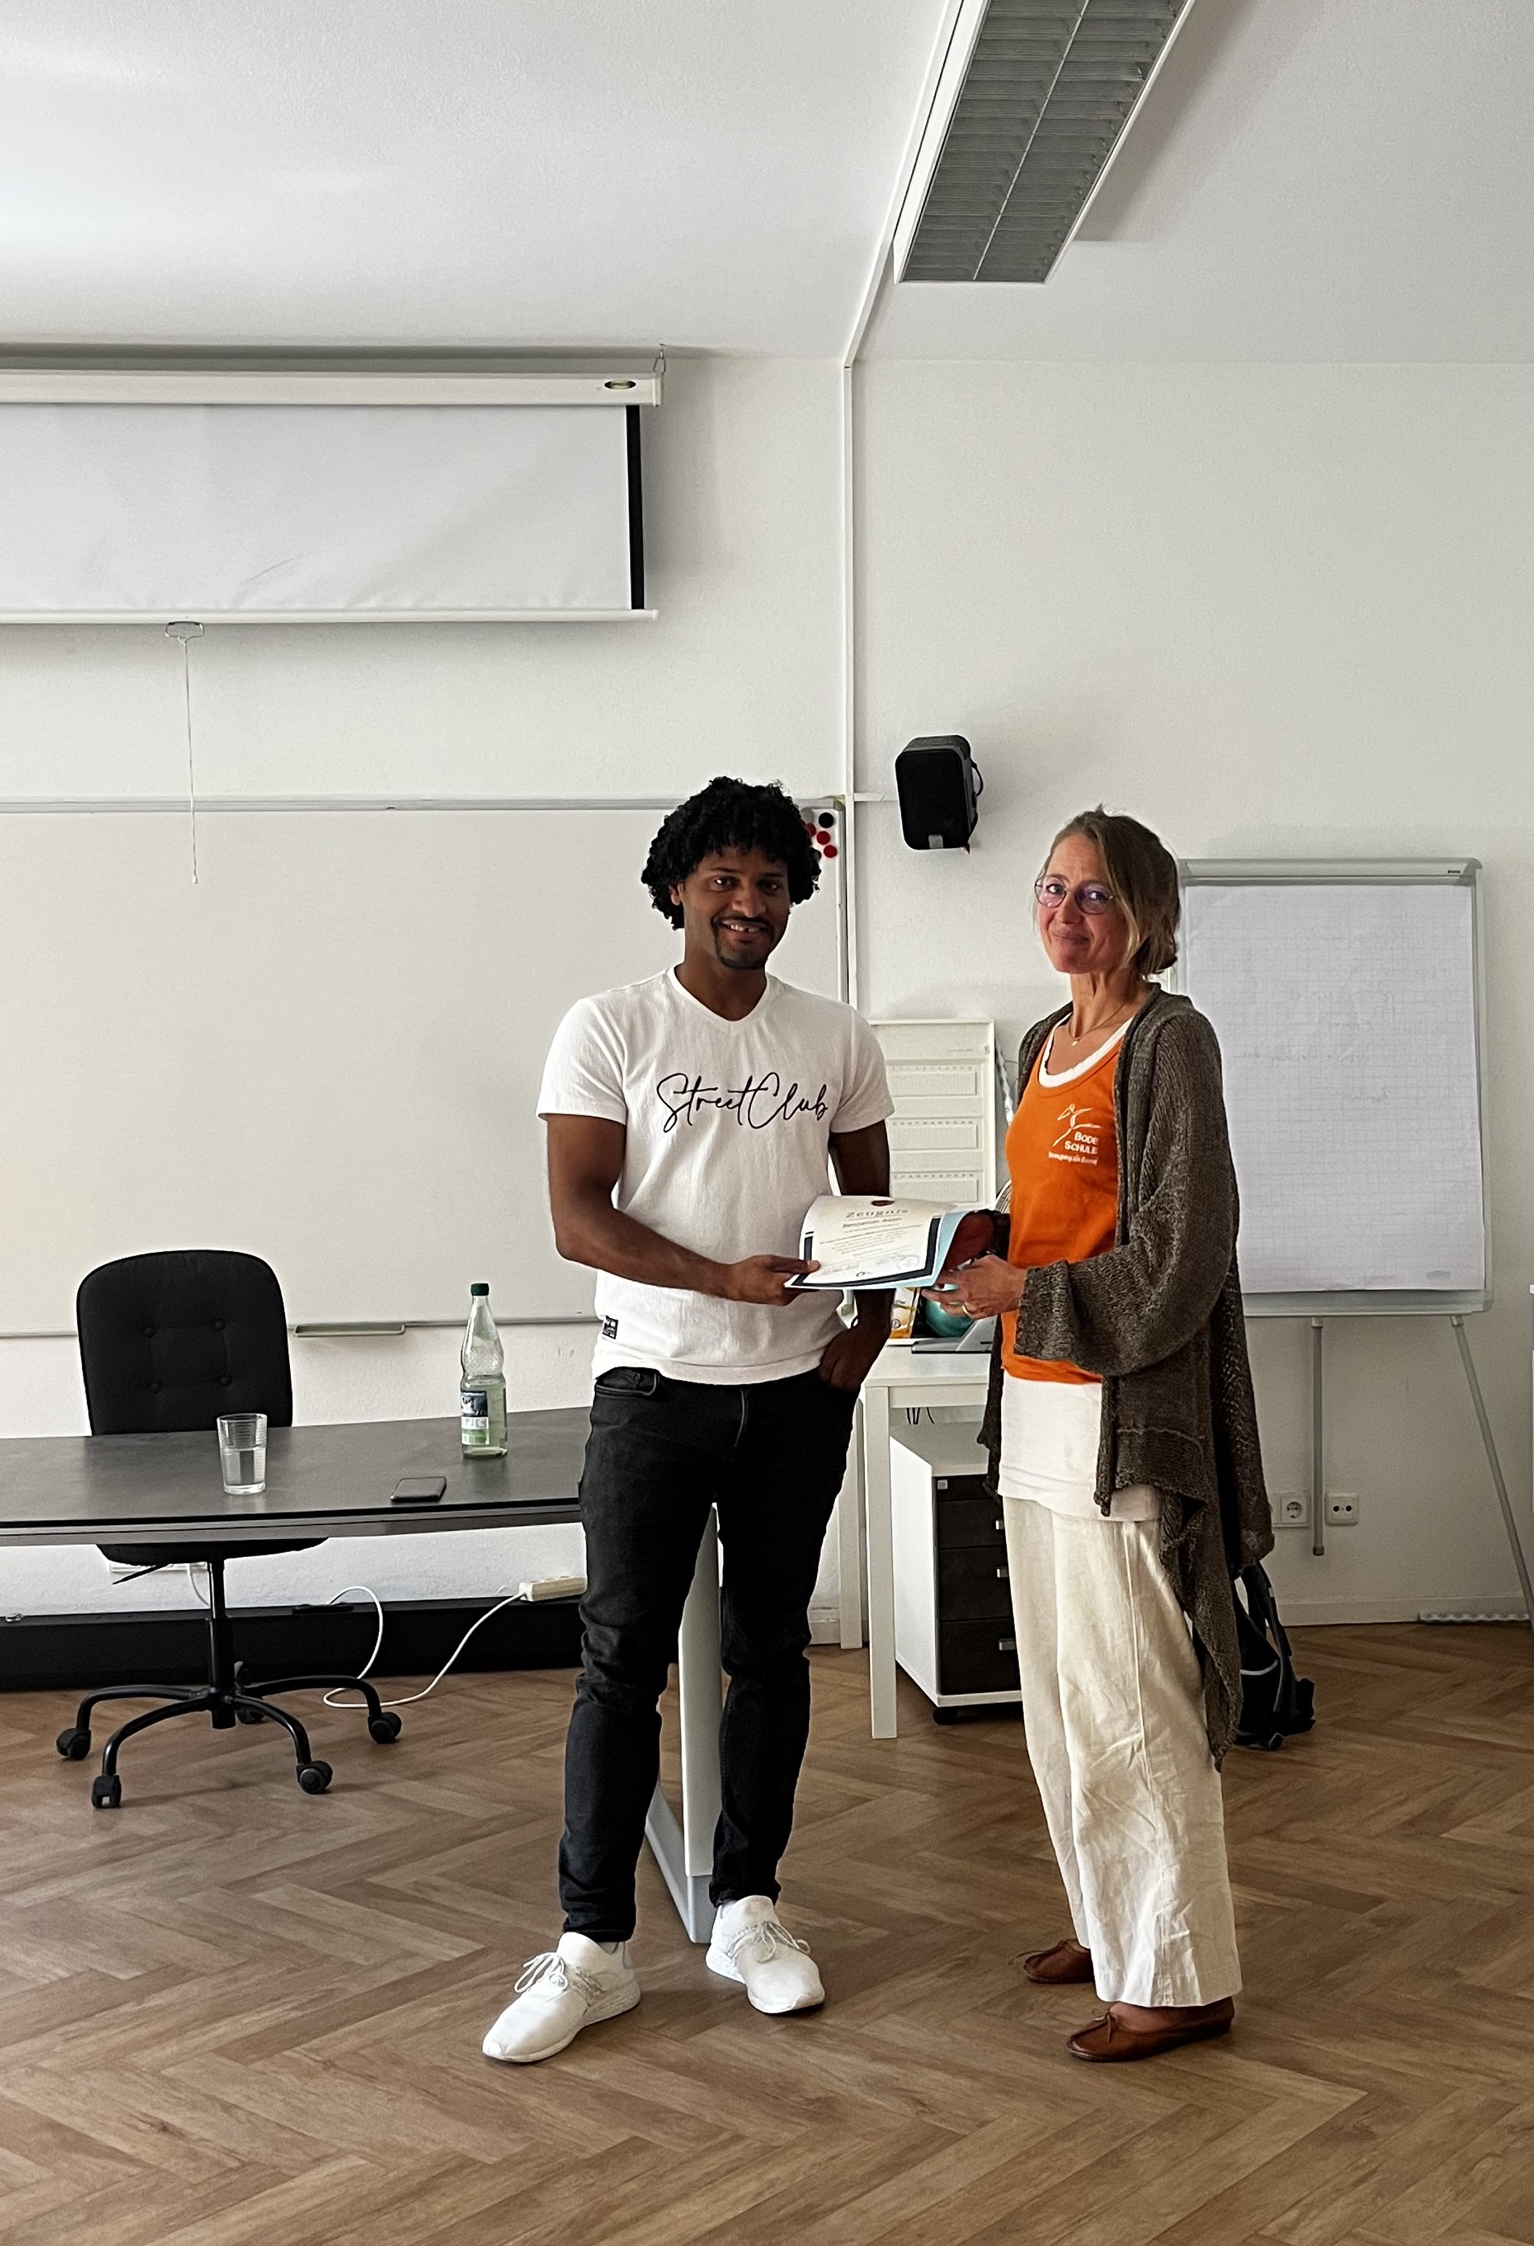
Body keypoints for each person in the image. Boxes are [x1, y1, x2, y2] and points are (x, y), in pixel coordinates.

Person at [482, 776, 892, 2064]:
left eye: (769, 884)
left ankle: (749, 1911)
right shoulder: (609, 1026)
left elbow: (874, 1221)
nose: (747, 904)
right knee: (621, 1665)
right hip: (653, 1389)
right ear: (677, 887)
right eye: (722, 880)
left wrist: (867, 1334)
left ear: (793, 899)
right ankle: (592, 1947)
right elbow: (579, 1218)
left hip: (793, 1399)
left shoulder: (834, 1037)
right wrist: (722, 1281)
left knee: (771, 1655)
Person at [939, 808, 1273, 2062]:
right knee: (1062, 1702)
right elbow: (1052, 1218)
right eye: (1051, 888)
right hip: (1034, 1408)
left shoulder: (1169, 1043)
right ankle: (1108, 1914)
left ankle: (1179, 1974)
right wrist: (977, 1250)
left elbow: (1184, 1256)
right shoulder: (1044, 1042)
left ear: (1147, 916)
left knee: (1134, 1696)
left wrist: (1026, 1289)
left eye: (1094, 895)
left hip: (1122, 1420)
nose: (1065, 913)